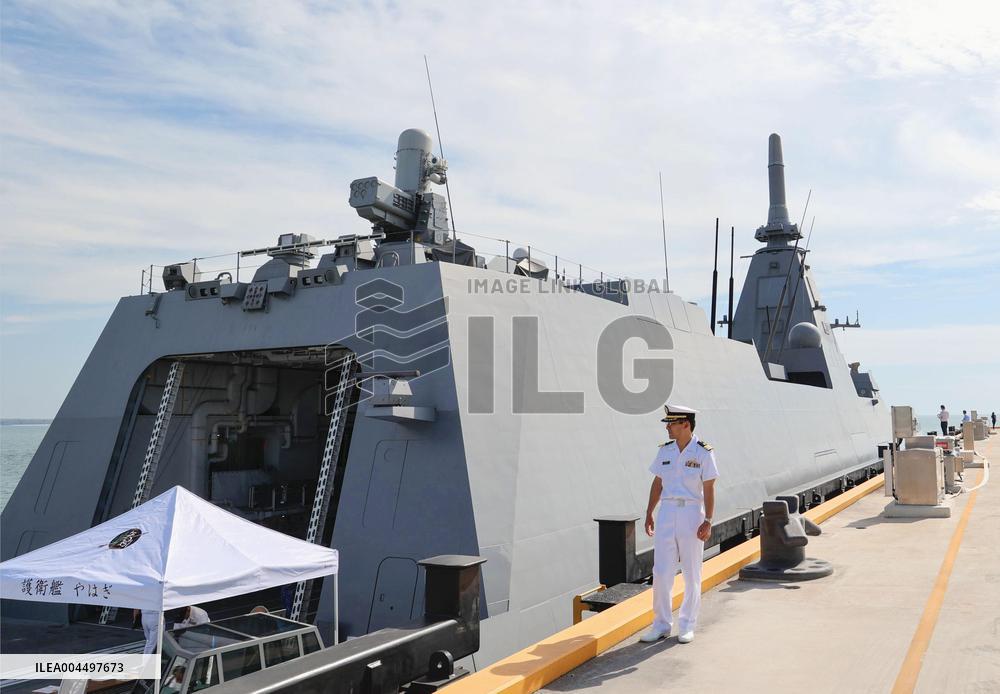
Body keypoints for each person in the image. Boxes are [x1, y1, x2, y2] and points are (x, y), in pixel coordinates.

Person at [639, 404, 719, 645]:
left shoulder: (703, 452)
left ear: (686, 424)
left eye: (671, 423)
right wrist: (650, 512)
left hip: (692, 513)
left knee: (692, 572)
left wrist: (708, 520)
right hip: (667, 513)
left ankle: (686, 625)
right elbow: (657, 483)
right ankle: (661, 624)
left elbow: (709, 487)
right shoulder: (665, 451)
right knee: (661, 572)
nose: (668, 428)